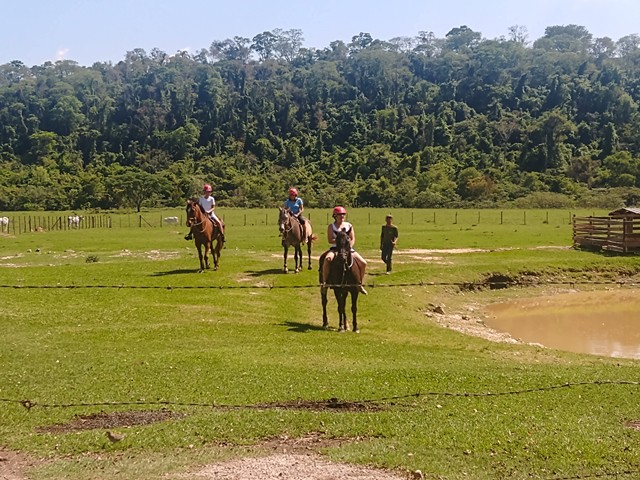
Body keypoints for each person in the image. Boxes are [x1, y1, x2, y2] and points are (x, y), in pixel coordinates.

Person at [321, 206, 368, 294]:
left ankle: (359, 284)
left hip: (347, 249)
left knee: (363, 263)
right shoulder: (331, 226)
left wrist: (348, 246)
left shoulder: (349, 225)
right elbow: (330, 240)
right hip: (335, 249)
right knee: (327, 259)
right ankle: (325, 283)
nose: (341, 216)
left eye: (343, 214)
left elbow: (352, 238)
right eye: (339, 215)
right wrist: (340, 240)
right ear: (335, 216)